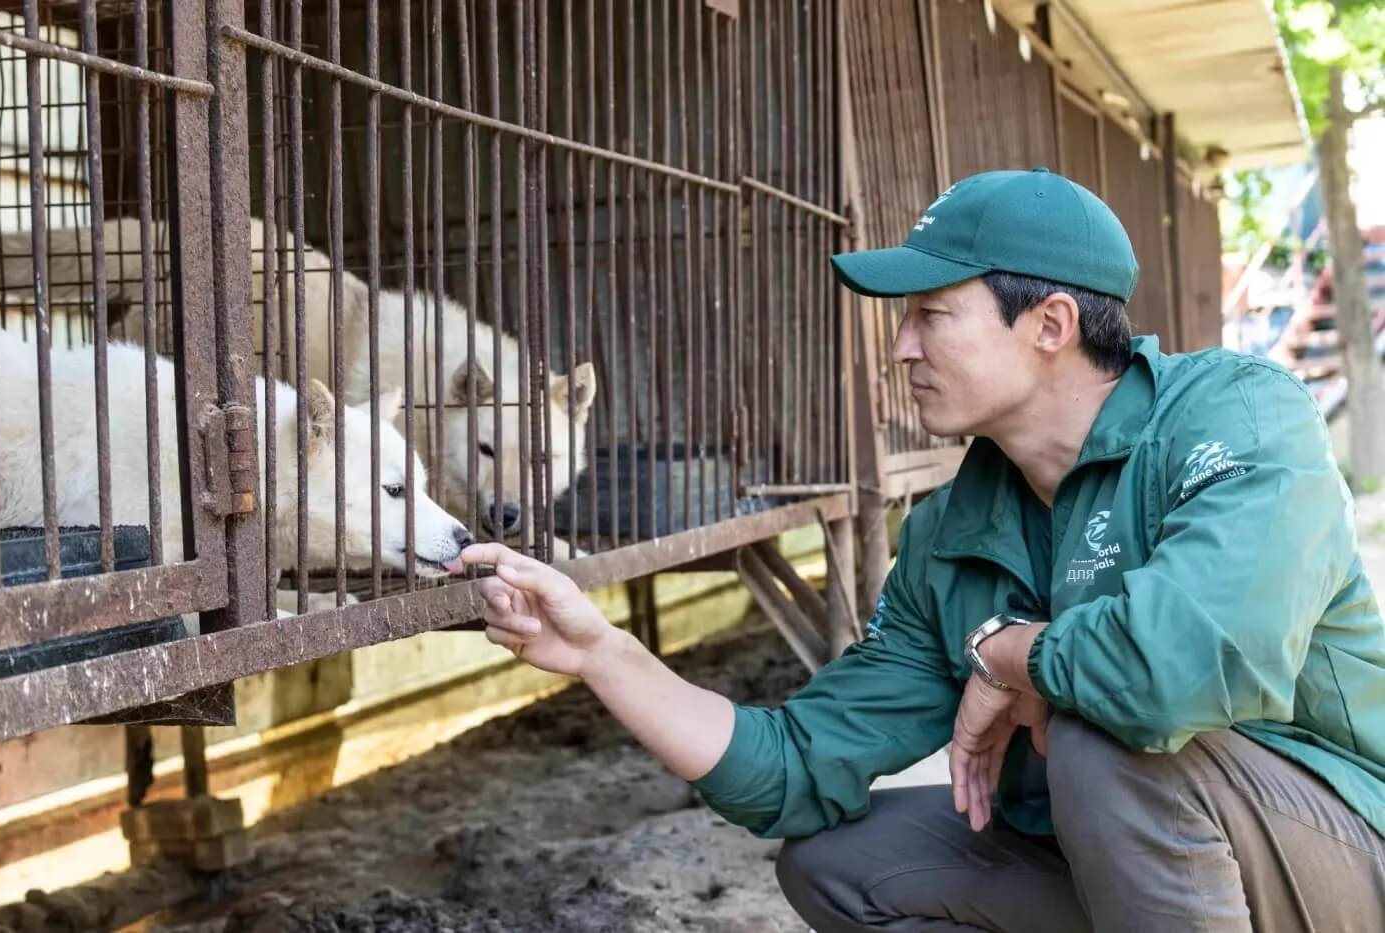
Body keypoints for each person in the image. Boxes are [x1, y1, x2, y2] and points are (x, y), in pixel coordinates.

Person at [460, 167, 1385, 932]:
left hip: (1337, 851)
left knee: (1099, 735)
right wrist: (600, 652)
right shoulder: (952, 531)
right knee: (839, 860)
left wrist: (1012, 654)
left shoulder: (1235, 411)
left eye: (933, 314)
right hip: (1141, 872)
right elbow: (794, 767)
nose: (901, 348)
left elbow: (1185, 664)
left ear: (1051, 324)